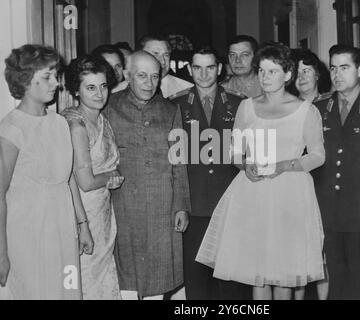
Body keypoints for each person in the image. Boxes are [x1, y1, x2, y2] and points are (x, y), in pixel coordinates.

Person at [195, 42, 326, 300]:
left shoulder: (305, 111)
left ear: (287, 75)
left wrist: (283, 166)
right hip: (254, 193)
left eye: (273, 72)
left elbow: (318, 156)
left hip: (290, 194)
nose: (265, 78)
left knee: (284, 271)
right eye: (262, 71)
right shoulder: (247, 107)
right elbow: (234, 152)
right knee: (258, 269)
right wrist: (246, 165)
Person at [0, 44, 93, 299]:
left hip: (62, 229)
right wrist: (1, 253)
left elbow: (68, 178)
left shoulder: (60, 122)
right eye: (47, 77)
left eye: (55, 75)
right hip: (27, 233)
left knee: (68, 289)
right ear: (26, 81)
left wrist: (82, 224)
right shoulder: (11, 130)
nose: (56, 83)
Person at [104, 51, 190, 300]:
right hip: (122, 207)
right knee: (126, 278)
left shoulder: (170, 110)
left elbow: (179, 162)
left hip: (162, 207)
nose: (149, 83)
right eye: (141, 76)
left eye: (154, 77)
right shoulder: (109, 107)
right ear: (127, 75)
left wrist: (181, 207)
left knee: (159, 277)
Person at [170, 46, 250, 300]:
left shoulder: (240, 104)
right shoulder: (176, 105)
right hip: (194, 204)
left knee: (232, 282)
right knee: (197, 281)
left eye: (209, 67)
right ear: (190, 70)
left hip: (231, 203)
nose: (203, 74)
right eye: (197, 67)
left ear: (219, 69)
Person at [312, 44, 360, 300]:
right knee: (335, 281)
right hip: (328, 210)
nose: (337, 74)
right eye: (333, 68)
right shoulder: (319, 108)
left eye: (344, 67)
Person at [63, 55, 124, 299]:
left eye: (103, 86)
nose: (99, 94)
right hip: (84, 212)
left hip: (103, 212)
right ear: (76, 91)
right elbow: (85, 182)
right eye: (90, 88)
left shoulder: (100, 118)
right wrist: (111, 175)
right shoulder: (76, 126)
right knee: (88, 280)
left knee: (102, 279)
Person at [291, 49, 331, 300]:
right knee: (296, 253)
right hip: (296, 186)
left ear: (318, 73)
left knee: (323, 255)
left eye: (307, 70)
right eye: (296, 72)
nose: (301, 77)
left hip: (325, 185)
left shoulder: (330, 103)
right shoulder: (288, 107)